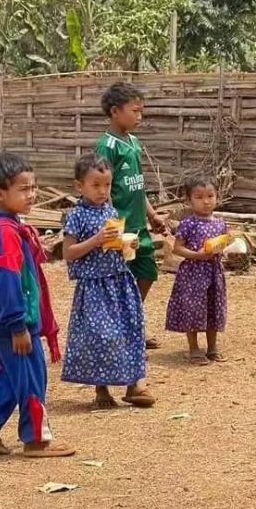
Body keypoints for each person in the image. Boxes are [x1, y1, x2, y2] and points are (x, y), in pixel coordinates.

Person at [0, 153, 75, 458]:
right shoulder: (6, 233)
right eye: (23, 190)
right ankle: (36, 439)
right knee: (32, 377)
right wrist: (18, 325)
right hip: (13, 321)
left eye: (34, 187)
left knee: (14, 376)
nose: (32, 195)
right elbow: (6, 280)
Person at [60, 154, 155, 408]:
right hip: (94, 286)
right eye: (96, 185)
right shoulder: (76, 216)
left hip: (120, 282)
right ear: (80, 186)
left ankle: (134, 385)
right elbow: (68, 252)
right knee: (101, 336)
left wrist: (127, 244)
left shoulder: (111, 211)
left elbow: (116, 245)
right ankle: (101, 389)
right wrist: (96, 241)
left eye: (107, 185)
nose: (103, 191)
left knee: (130, 330)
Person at [95, 82, 168, 350]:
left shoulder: (133, 143)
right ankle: (121, 331)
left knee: (147, 271)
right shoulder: (107, 146)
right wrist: (112, 223)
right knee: (120, 280)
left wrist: (152, 216)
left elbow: (137, 185)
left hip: (139, 225)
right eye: (135, 111)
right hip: (121, 227)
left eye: (141, 111)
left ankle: (131, 322)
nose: (140, 117)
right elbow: (104, 187)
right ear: (115, 111)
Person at [165, 175, 228, 365]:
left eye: (210, 196)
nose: (206, 201)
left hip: (214, 272)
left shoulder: (220, 223)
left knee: (213, 307)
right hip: (193, 273)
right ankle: (194, 348)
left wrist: (222, 247)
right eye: (199, 197)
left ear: (217, 197)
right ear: (189, 200)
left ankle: (212, 348)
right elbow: (177, 248)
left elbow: (224, 242)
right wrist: (197, 255)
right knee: (192, 309)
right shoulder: (188, 224)